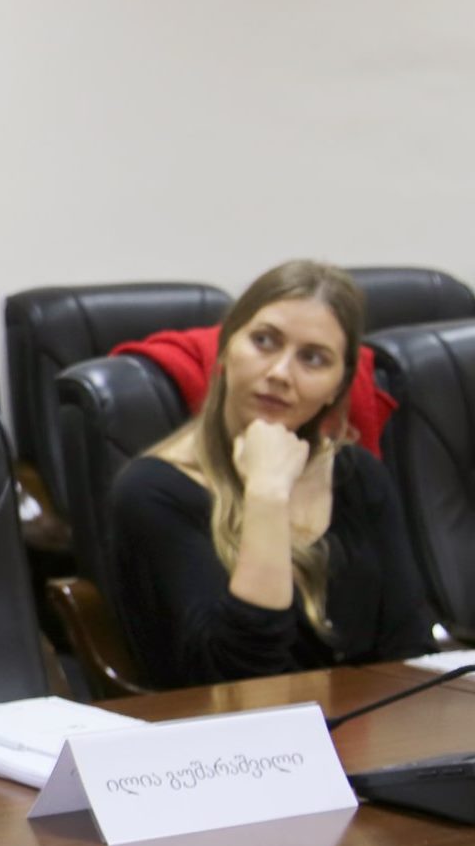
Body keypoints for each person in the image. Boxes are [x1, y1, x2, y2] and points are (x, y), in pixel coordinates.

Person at [108, 261, 434, 687]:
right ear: (225, 349)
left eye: (313, 358)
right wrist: (267, 494)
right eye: (264, 341)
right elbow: (237, 680)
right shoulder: (151, 490)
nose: (280, 373)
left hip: (372, 722)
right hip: (231, 726)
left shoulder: (357, 475)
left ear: (337, 387)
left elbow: (410, 648)